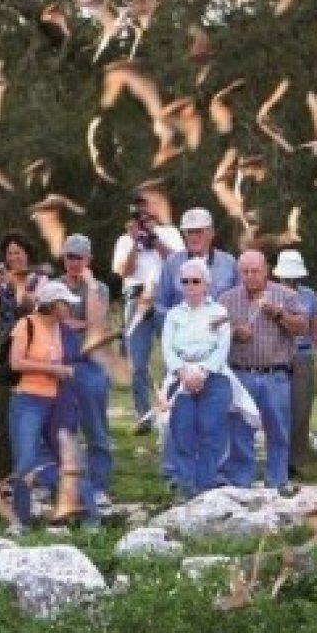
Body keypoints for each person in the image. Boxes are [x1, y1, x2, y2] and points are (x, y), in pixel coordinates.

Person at [222, 249, 309, 490]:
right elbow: (214, 333)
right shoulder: (227, 299)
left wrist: (278, 313)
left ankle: (277, 482)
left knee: (278, 430)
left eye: (255, 271)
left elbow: (302, 328)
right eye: (245, 272)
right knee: (239, 430)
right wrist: (233, 333)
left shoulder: (286, 296)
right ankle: (241, 482)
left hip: (276, 374)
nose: (250, 276)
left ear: (266, 270)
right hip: (241, 373)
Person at [51, 234, 115, 517]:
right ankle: (71, 487)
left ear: (89, 259)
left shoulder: (98, 287)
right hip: (63, 364)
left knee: (96, 428)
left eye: (79, 257)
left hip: (91, 365)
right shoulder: (55, 286)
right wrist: (78, 324)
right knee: (64, 429)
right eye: (69, 257)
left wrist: (88, 285)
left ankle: (99, 486)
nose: (73, 262)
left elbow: (97, 322)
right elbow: (57, 321)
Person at [5, 279, 76, 527]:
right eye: (65, 303)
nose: (69, 307)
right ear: (52, 305)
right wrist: (52, 369)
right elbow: (16, 363)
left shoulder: (62, 329)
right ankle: (19, 519)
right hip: (28, 399)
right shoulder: (27, 325)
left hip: (56, 400)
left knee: (67, 456)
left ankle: (75, 513)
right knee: (26, 459)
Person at [160, 259, 234, 498]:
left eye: (195, 281)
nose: (190, 286)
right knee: (182, 430)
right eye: (185, 281)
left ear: (206, 284)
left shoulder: (219, 312)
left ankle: (206, 486)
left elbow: (223, 347)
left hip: (212, 375)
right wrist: (182, 372)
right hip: (181, 375)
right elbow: (167, 348)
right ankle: (185, 487)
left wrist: (202, 372)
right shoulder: (173, 315)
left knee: (210, 430)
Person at [0, 234, 44, 490]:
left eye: (18, 252)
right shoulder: (0, 280)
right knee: (2, 416)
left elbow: (34, 306)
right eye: (9, 254)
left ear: (27, 254)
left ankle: (29, 476)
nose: (14, 258)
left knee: (30, 416)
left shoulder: (39, 279)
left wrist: (16, 284)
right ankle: (2, 478)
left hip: (31, 351)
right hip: (3, 351)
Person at [112, 199, 183, 431]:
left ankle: (170, 410)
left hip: (165, 299)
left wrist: (155, 238)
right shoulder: (125, 240)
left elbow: (178, 263)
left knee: (173, 358)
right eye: (139, 212)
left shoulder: (170, 232)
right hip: (136, 297)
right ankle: (143, 415)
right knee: (137, 363)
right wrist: (135, 243)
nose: (143, 216)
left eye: (146, 211)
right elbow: (123, 271)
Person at [274, 249, 317, 471]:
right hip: (277, 355)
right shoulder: (271, 294)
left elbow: (316, 323)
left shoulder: (309, 295)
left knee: (301, 408)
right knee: (279, 408)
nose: (290, 281)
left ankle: (298, 458)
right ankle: (279, 457)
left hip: (303, 354)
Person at [177, 206, 240, 299]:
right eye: (189, 232)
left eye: (199, 231)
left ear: (211, 233)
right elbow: (161, 305)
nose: (194, 237)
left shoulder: (229, 263)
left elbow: (240, 298)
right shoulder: (172, 263)